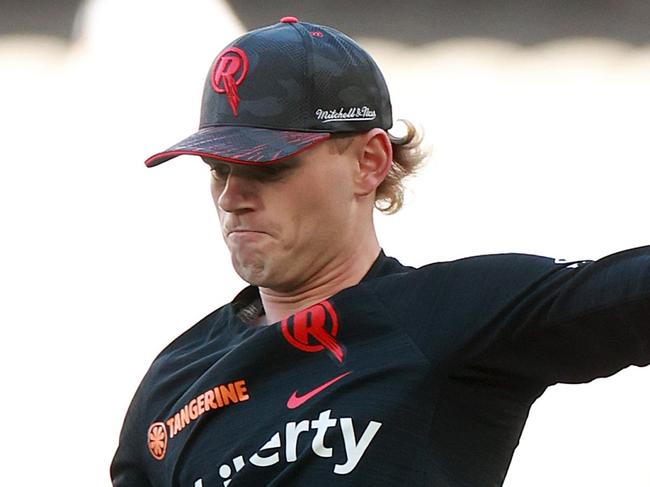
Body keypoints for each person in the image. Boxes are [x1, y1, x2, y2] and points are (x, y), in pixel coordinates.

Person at [111, 17, 650, 487]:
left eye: (267, 168)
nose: (232, 197)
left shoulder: (443, 318)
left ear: (369, 162)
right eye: (219, 170)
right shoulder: (172, 383)